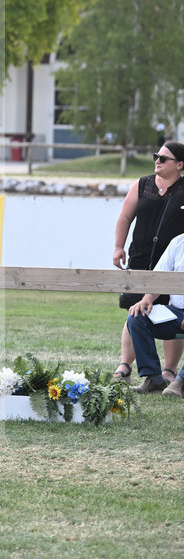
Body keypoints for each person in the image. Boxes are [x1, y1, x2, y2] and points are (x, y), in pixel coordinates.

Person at [112, 142, 184, 383]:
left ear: (180, 165)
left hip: (172, 262)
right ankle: (125, 364)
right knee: (135, 309)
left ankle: (169, 370)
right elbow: (125, 216)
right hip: (141, 257)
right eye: (157, 156)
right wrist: (119, 246)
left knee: (169, 312)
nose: (158, 161)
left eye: (164, 158)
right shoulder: (142, 184)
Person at [125, 232, 184, 394]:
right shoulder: (178, 242)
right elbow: (159, 277)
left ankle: (180, 382)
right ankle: (154, 379)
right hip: (178, 312)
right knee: (137, 316)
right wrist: (146, 300)